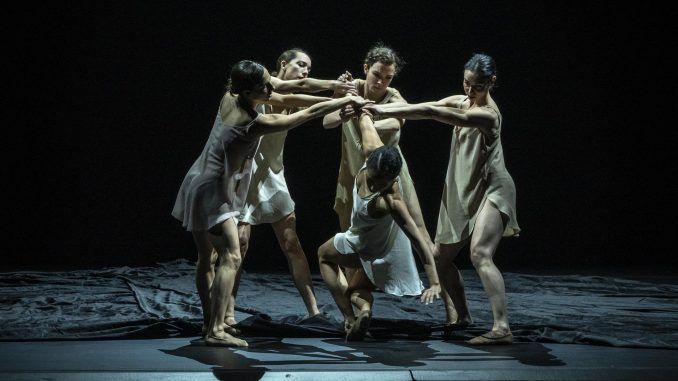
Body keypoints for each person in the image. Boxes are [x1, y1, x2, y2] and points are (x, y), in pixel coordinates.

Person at [172, 59, 370, 347]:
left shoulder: (230, 97)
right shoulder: (254, 123)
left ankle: (208, 323)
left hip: (198, 181)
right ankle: (216, 329)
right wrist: (343, 100)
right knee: (232, 255)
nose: (271, 86)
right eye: (265, 84)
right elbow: (306, 114)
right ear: (250, 91)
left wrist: (333, 89)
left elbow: (289, 92)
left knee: (206, 259)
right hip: (215, 192)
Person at [364, 53, 521, 345]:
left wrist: (383, 112)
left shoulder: (488, 115)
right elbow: (425, 106)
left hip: (492, 188)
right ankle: (462, 316)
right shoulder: (462, 100)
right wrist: (383, 109)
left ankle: (502, 328)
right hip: (465, 187)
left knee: (480, 254)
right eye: (466, 83)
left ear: (491, 82)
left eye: (476, 86)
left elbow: (436, 114)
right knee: (440, 258)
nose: (469, 90)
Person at [221, 49, 356, 330]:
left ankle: (313, 309)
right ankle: (228, 311)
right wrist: (336, 91)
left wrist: (337, 92)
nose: (306, 70)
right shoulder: (263, 91)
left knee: (292, 243)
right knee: (240, 246)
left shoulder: (288, 95)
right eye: (301, 64)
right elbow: (298, 90)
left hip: (272, 175)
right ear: (283, 64)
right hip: (246, 174)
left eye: (309, 66)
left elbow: (304, 91)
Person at [317, 111, 442, 341]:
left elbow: (418, 240)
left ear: (394, 180)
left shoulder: (391, 202)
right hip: (363, 239)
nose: (374, 186)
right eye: (372, 179)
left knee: (324, 255)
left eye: (381, 184)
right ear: (370, 161)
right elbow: (366, 124)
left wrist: (434, 281)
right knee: (358, 290)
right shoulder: (372, 153)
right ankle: (363, 312)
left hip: (375, 249)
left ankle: (348, 319)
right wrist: (361, 108)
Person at [322, 43, 436, 273]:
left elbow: (397, 121)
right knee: (350, 237)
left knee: (418, 230)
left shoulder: (394, 97)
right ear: (365, 68)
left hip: (389, 173)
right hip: (354, 171)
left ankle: (444, 294)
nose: (381, 81)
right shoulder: (352, 87)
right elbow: (327, 122)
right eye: (377, 74)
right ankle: (358, 298)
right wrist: (342, 111)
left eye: (388, 77)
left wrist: (367, 119)